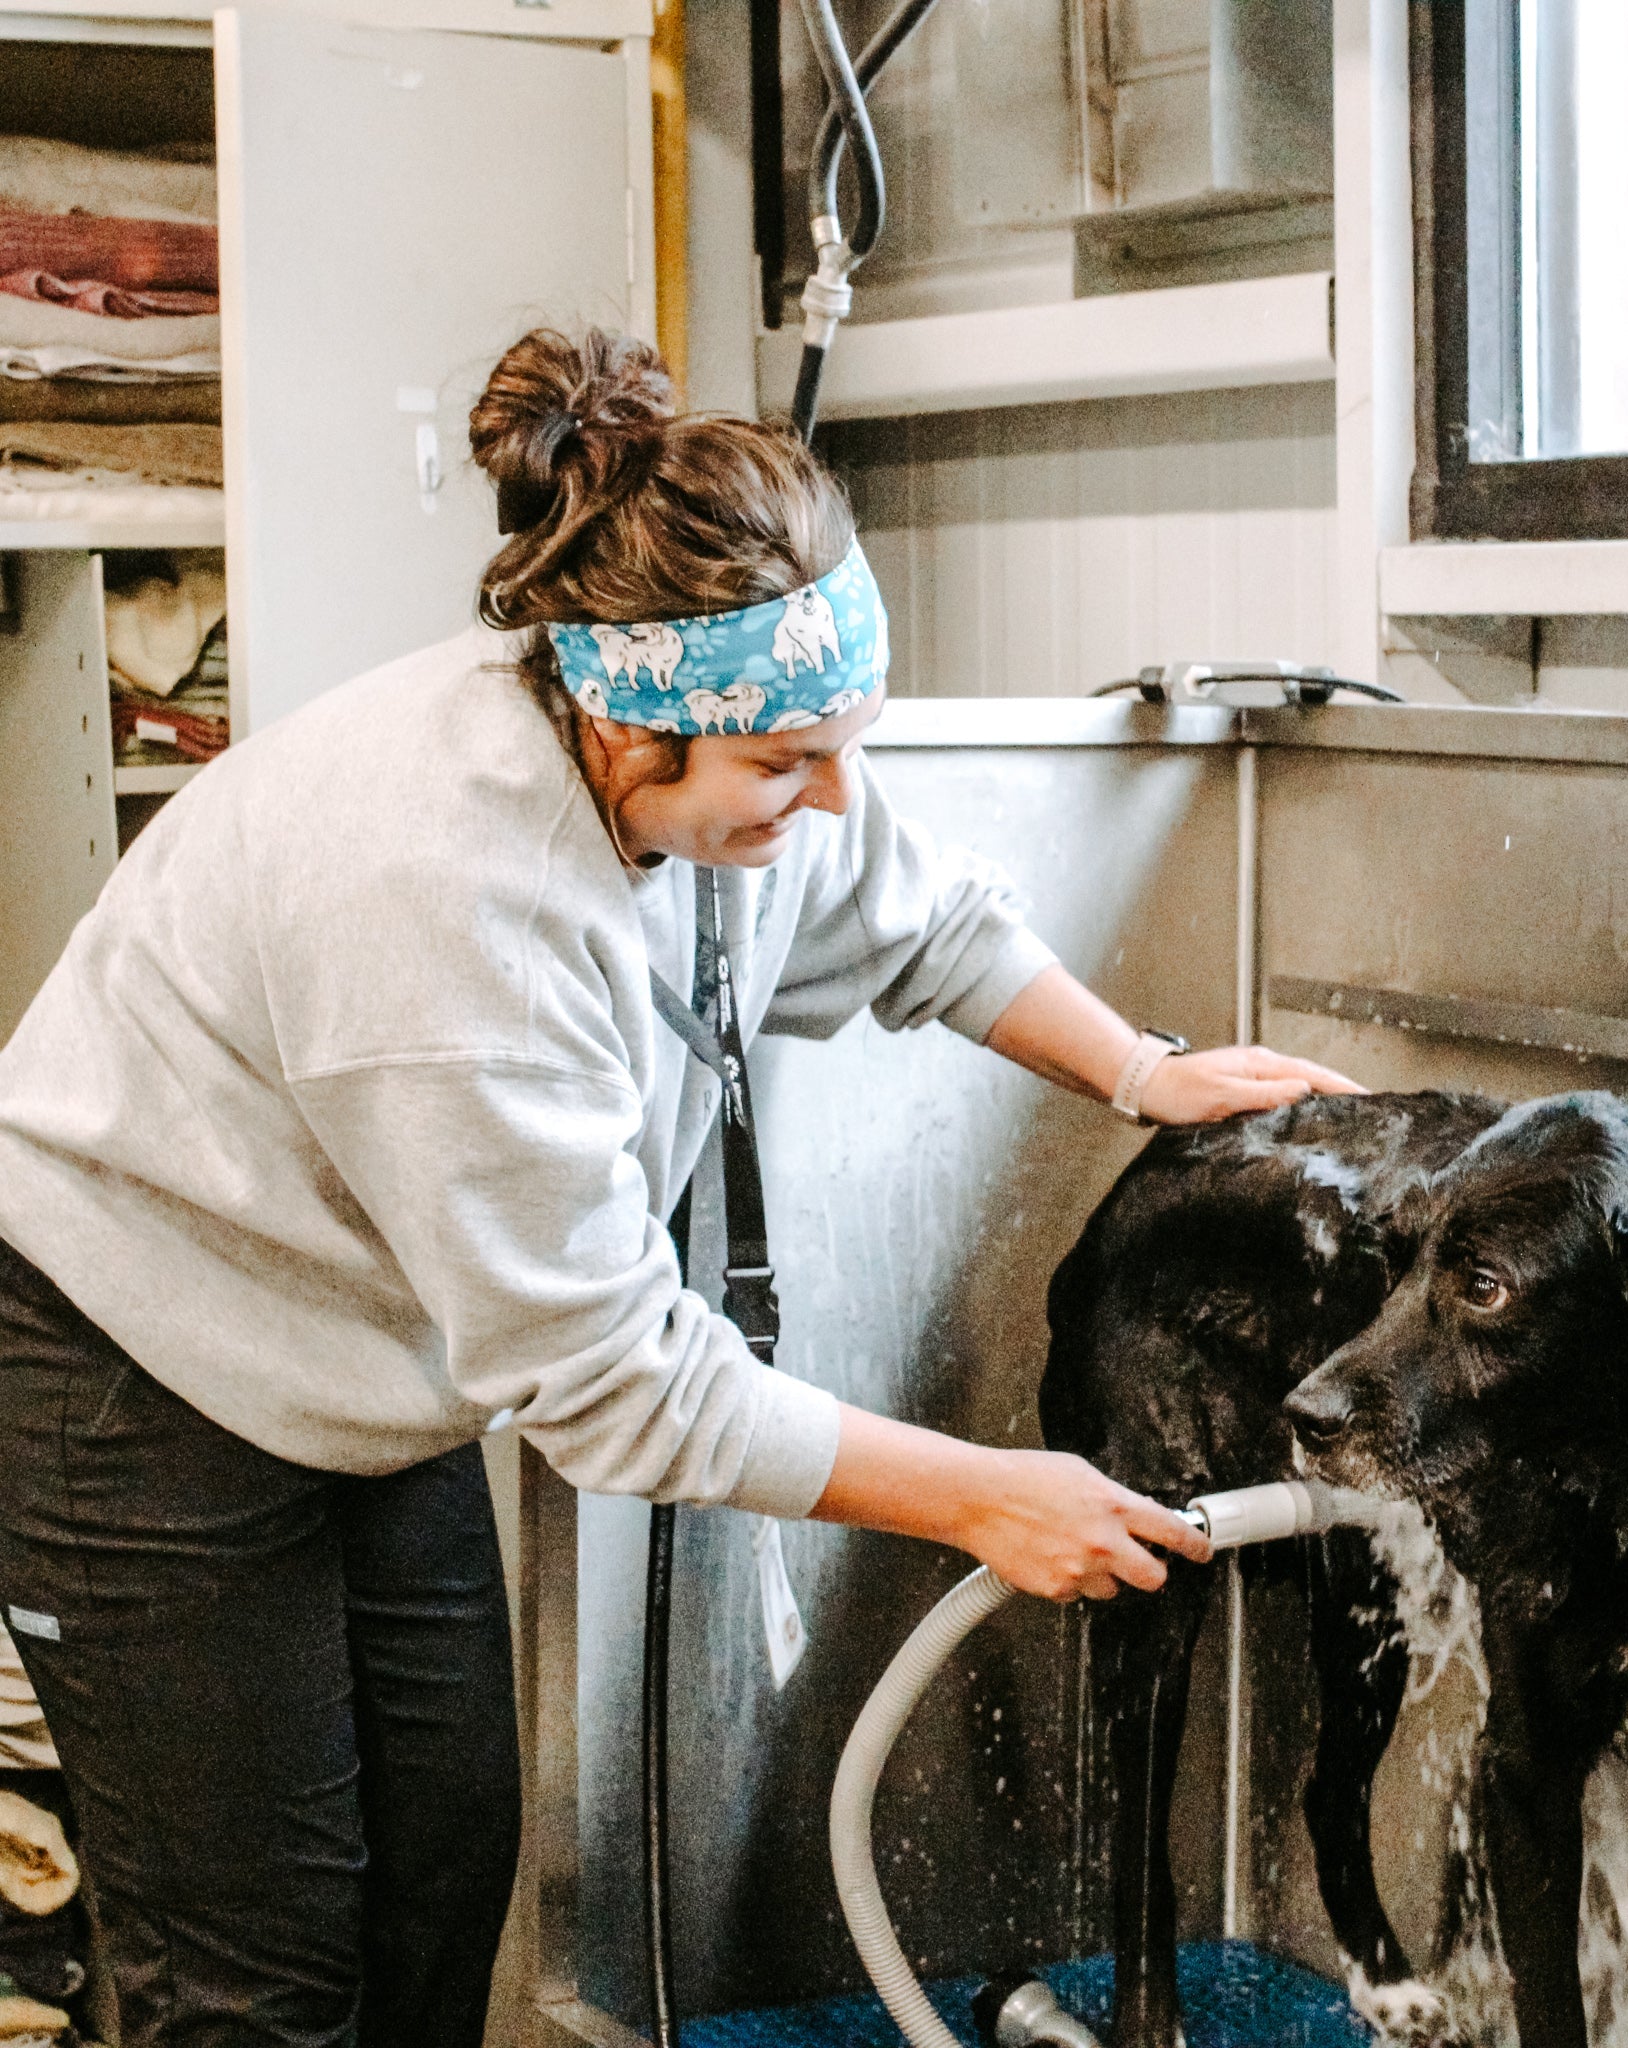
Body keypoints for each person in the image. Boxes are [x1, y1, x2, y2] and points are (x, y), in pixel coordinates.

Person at [0, 327, 1358, 2048]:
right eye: (789, 763)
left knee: (438, 1872)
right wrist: (980, 1501)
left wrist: (1143, 1070)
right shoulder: (444, 899)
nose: (833, 796)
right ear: (626, 724)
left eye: (844, 743)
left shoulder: (729, 759)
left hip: (354, 1352)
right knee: (254, 1968)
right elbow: (621, 1385)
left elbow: (926, 920)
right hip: (127, 1350)